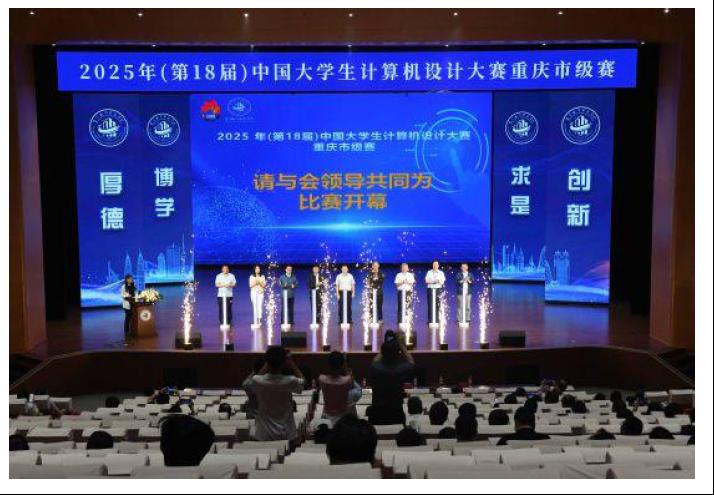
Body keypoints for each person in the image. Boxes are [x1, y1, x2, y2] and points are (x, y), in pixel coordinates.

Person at [242, 346, 305, 442]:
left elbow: (249, 383)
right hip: (287, 432)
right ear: (284, 362)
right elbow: (304, 382)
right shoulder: (290, 380)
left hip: (263, 434)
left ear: (267, 362)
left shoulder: (258, 380)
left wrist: (268, 363)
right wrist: (291, 363)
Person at [366, 331, 415, 425]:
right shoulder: (399, 370)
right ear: (398, 354)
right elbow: (411, 362)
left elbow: (374, 361)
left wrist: (386, 346)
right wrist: (401, 344)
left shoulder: (375, 368)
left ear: (383, 353)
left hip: (377, 413)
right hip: (396, 413)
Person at [319, 352, 362, 424]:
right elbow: (359, 392)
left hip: (328, 420)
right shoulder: (348, 380)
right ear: (342, 365)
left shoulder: (321, 379)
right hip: (344, 421)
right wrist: (346, 369)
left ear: (328, 364)